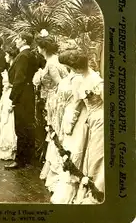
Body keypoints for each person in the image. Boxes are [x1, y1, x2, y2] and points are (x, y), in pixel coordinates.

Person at [59, 49, 104, 204]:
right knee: (90, 156)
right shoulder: (81, 78)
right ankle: (88, 188)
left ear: (77, 68)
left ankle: (96, 192)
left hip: (100, 121)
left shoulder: (96, 81)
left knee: (97, 157)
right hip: (91, 120)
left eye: (70, 68)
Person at [50, 49, 88, 204]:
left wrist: (69, 123)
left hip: (76, 118)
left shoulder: (78, 79)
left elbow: (77, 104)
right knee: (66, 149)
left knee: (73, 150)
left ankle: (71, 189)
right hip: (68, 114)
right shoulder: (72, 77)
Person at [35, 33, 69, 190]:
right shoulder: (56, 60)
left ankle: (56, 165)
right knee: (53, 132)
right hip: (52, 99)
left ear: (43, 49)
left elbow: (62, 85)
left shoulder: (51, 64)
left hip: (54, 101)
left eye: (39, 47)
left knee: (54, 132)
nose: (37, 49)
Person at [5, 32, 40, 169]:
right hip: (28, 93)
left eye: (18, 39)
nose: (16, 41)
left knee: (21, 128)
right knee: (28, 127)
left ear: (24, 40)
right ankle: (28, 160)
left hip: (22, 95)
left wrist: (12, 97)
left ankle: (21, 160)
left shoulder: (23, 56)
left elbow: (19, 79)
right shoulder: (31, 54)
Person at [0, 47, 19, 160]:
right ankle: (2, 145)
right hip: (6, 94)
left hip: (10, 94)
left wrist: (9, 85)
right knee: (3, 118)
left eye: (7, 55)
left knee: (9, 119)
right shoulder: (9, 67)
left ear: (11, 56)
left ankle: (10, 147)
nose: (5, 57)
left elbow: (15, 83)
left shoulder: (14, 68)